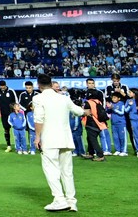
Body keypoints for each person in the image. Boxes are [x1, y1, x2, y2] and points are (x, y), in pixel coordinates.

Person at [34, 73, 88, 212]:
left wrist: (37, 137)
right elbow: (78, 111)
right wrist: (87, 112)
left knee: (51, 170)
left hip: (50, 140)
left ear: (39, 85)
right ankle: (71, 201)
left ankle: (59, 200)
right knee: (67, 171)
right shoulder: (64, 98)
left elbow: (39, 119)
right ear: (51, 84)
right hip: (65, 139)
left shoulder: (38, 98)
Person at [84, 78, 110, 155]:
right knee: (90, 135)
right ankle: (91, 152)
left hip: (98, 116)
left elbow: (103, 104)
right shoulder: (85, 92)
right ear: (87, 84)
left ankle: (106, 150)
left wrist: (101, 114)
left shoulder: (99, 92)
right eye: (89, 83)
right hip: (89, 117)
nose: (91, 85)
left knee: (102, 133)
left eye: (92, 83)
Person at [81, 92, 108, 161]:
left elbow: (86, 112)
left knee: (93, 140)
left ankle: (100, 156)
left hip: (92, 123)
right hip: (99, 123)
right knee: (89, 138)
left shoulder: (88, 103)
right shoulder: (98, 102)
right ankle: (91, 153)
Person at [0, 80, 18, 152]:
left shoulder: (11, 91)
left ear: (5, 85)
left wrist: (16, 110)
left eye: (3, 86)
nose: (2, 87)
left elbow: (16, 101)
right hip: (4, 114)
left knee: (16, 129)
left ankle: (18, 146)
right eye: (1, 86)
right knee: (6, 129)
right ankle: (8, 146)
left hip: (12, 113)